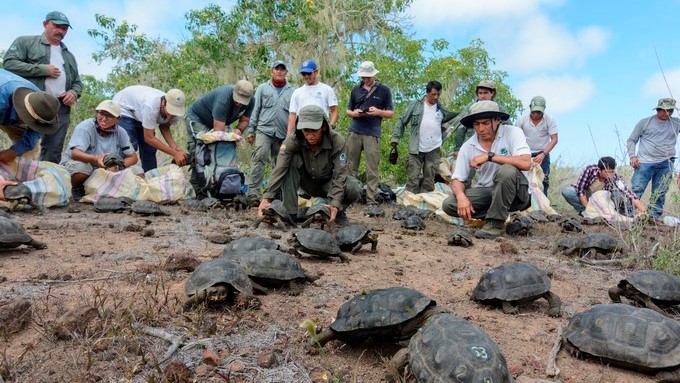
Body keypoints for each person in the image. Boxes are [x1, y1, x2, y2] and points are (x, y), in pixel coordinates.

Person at [257, 105, 360, 226]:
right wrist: (266, 199)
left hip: (329, 184)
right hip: (307, 182)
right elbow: (279, 169)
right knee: (289, 161)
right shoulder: (292, 141)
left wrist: (335, 204)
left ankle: (334, 211)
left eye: (314, 130)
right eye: (306, 130)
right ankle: (291, 213)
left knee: (353, 187)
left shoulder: (337, 141)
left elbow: (339, 175)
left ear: (324, 127)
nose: (310, 135)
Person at [441, 100, 531, 239]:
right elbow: (457, 179)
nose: (481, 129)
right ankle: (493, 215)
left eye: (485, 123)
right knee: (449, 204)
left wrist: (490, 156)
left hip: (517, 193)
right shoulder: (468, 146)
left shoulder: (513, 132)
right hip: (489, 191)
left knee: (506, 170)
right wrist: (461, 197)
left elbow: (526, 163)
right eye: (477, 124)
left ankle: (495, 224)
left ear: (497, 120)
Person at [3, 11, 82, 164]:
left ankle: (45, 185)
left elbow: (78, 82)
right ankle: (16, 183)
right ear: (45, 24)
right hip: (28, 103)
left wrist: (73, 92)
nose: (60, 31)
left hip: (59, 108)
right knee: (27, 147)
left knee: (53, 150)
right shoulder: (25, 42)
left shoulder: (69, 56)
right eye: (57, 26)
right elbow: (9, 63)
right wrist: (42, 69)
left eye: (64, 28)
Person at [60, 100, 140, 201]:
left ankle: (108, 191)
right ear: (96, 113)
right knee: (83, 168)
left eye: (110, 116)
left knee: (138, 171)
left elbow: (133, 157)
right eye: (101, 113)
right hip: (82, 165)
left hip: (104, 168)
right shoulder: (86, 127)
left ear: (118, 119)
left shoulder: (121, 132)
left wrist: (118, 166)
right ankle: (76, 189)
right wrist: (96, 159)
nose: (104, 119)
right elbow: (75, 153)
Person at [184, 80, 254, 194]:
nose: (239, 104)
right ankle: (199, 189)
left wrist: (238, 130)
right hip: (198, 119)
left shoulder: (252, 100)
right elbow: (218, 131)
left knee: (222, 151)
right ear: (234, 92)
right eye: (237, 100)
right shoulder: (223, 98)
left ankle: (220, 186)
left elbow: (245, 120)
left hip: (218, 122)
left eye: (243, 102)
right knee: (201, 150)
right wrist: (230, 137)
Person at [390, 80, 456, 193]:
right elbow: (402, 121)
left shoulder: (441, 108)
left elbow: (451, 120)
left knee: (429, 178)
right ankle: (410, 203)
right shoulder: (416, 105)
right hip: (416, 147)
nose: (436, 97)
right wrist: (395, 138)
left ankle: (426, 202)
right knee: (413, 177)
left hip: (434, 148)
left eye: (438, 94)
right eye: (433, 94)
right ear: (427, 93)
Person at [245, 60, 295, 204]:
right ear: (271, 71)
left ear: (286, 72)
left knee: (279, 163)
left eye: (282, 69)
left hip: (283, 134)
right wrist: (250, 130)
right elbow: (256, 110)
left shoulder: (292, 91)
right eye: (276, 69)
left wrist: (291, 135)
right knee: (259, 157)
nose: (279, 71)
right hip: (264, 130)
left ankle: (274, 193)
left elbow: (294, 114)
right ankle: (253, 193)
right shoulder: (262, 88)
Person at [346, 61, 394, 203]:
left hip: (372, 132)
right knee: (350, 167)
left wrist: (378, 112)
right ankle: (350, 198)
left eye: (368, 77)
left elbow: (391, 113)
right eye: (363, 77)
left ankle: (371, 199)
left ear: (373, 75)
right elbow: (348, 110)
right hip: (355, 130)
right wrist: (354, 113)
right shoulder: (356, 89)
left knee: (372, 168)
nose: (366, 80)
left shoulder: (384, 90)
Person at [626, 97, 680, 220]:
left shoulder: (676, 123)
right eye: (665, 111)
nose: (668, 113)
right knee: (636, 189)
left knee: (660, 192)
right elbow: (632, 140)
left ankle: (653, 218)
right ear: (658, 110)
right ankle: (627, 215)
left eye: (671, 111)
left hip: (667, 162)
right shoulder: (645, 122)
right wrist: (632, 156)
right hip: (645, 162)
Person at [112, 85, 187, 172]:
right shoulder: (151, 105)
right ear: (163, 103)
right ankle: (115, 175)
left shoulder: (176, 113)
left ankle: (151, 179)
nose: (171, 116)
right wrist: (174, 153)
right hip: (125, 107)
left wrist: (175, 148)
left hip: (140, 112)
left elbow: (164, 127)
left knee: (149, 149)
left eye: (174, 113)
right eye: (170, 111)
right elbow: (149, 138)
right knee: (129, 145)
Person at [0, 68, 60, 164]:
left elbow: (35, 132)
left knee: (30, 148)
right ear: (22, 111)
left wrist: (14, 151)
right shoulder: (2, 96)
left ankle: (19, 173)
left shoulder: (41, 103)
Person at [561, 156, 645, 217]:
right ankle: (585, 213)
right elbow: (580, 190)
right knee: (567, 192)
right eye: (607, 172)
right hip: (588, 196)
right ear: (599, 170)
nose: (610, 174)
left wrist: (643, 211)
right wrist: (588, 208)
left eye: (612, 171)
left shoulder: (615, 177)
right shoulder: (589, 170)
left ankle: (615, 214)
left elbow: (629, 194)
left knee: (618, 195)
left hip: (604, 201)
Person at [516, 96, 558, 195]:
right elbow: (516, 138)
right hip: (525, 153)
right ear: (530, 108)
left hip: (542, 153)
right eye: (533, 112)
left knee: (543, 180)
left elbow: (554, 139)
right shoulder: (522, 120)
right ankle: (524, 205)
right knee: (523, 179)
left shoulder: (549, 120)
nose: (535, 115)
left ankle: (542, 206)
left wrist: (543, 154)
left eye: (538, 112)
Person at [287, 59, 338, 135]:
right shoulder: (297, 92)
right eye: (304, 74)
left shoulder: (327, 89)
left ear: (316, 72)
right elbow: (292, 115)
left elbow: (334, 110)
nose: (306, 76)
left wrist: (331, 125)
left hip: (321, 129)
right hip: (302, 130)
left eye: (309, 73)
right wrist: (289, 134)